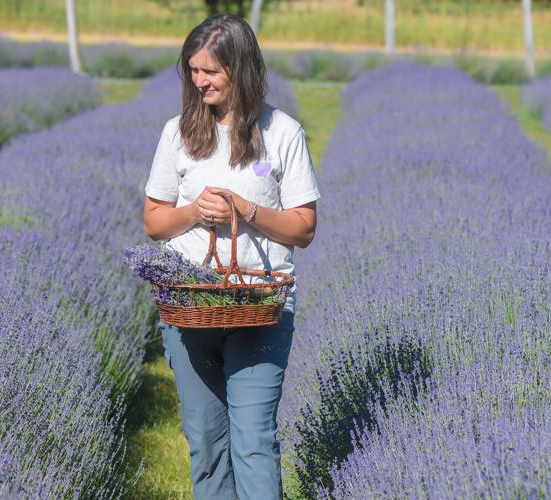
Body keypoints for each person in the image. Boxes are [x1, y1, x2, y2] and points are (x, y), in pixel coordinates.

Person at [142, 13, 320, 500]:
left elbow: (304, 228)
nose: (199, 81)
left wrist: (248, 210)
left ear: (239, 69)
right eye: (193, 70)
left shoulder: (282, 132)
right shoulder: (177, 133)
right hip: (189, 304)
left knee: (254, 441)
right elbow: (154, 221)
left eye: (210, 71)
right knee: (206, 442)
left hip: (261, 306)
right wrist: (194, 212)